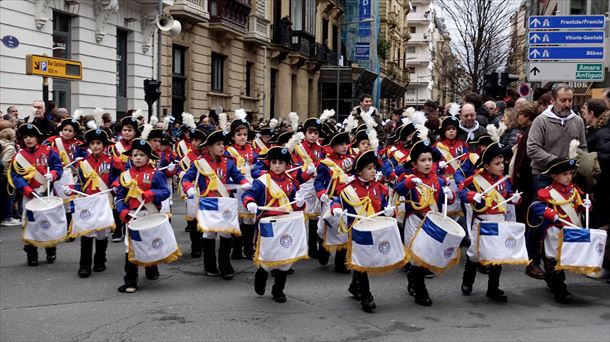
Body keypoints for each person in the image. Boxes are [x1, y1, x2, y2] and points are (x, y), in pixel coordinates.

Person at [181, 128, 250, 279]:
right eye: (218, 144)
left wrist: (244, 182)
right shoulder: (199, 163)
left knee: (226, 233)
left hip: (225, 202)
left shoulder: (228, 162)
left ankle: (225, 265)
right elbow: (185, 179)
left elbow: (237, 176)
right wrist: (189, 188)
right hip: (208, 203)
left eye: (223, 144)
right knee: (209, 234)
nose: (222, 147)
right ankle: (210, 265)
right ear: (209, 147)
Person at [394, 136, 455, 306]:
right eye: (423, 160)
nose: (428, 163)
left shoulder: (440, 180)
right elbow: (398, 190)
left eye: (430, 160)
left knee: (427, 255)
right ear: (414, 163)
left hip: (432, 222)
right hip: (415, 219)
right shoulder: (409, 177)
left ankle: (413, 279)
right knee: (416, 255)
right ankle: (421, 290)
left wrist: (450, 195)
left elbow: (445, 201)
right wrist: (409, 182)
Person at [330, 150, 393, 312]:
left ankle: (354, 286)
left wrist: (388, 210)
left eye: (375, 168)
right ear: (359, 171)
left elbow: (385, 204)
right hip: (357, 231)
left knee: (362, 262)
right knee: (362, 262)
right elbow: (337, 202)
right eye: (369, 168)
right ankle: (367, 296)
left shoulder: (380, 189)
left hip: (374, 229)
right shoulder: (348, 189)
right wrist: (336, 209)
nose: (374, 171)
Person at [459, 142, 521, 303]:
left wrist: (515, 199)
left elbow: (508, 194)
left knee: (497, 255)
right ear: (486, 165)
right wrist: (473, 196)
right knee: (474, 253)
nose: (502, 166)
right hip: (482, 222)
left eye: (502, 163)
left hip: (499, 221)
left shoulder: (504, 180)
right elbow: (462, 192)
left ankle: (493, 288)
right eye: (497, 163)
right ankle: (467, 281)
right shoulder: (476, 179)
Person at [243, 146, 305, 303]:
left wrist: (300, 202)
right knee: (267, 256)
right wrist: (250, 202)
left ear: (287, 165)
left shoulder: (292, 183)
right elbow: (248, 194)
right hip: (268, 224)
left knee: (285, 259)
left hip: (286, 224)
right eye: (274, 162)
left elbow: (295, 206)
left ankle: (278, 290)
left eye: (281, 162)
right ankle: (261, 275)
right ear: (269, 163)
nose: (277, 165)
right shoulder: (261, 182)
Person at [527, 158, 592, 303]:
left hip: (570, 230)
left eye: (570, 173)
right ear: (554, 176)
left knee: (565, 257)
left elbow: (578, 206)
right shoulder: (547, 192)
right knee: (554, 260)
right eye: (564, 174)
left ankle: (552, 281)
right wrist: (550, 212)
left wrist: (586, 205)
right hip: (554, 231)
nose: (569, 177)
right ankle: (559, 289)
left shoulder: (574, 190)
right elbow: (534, 207)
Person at [115, 139, 171, 293]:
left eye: (142, 154)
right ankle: (130, 281)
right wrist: (122, 211)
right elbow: (120, 196)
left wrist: (152, 194)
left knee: (149, 242)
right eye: (135, 154)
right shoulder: (125, 175)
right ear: (130, 157)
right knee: (130, 247)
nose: (138, 157)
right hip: (132, 215)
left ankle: (152, 269)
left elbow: (165, 191)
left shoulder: (156, 173)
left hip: (150, 212)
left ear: (148, 157)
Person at [66, 129, 122, 278]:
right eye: (93, 143)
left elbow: (120, 177)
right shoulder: (82, 164)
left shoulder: (113, 161)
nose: (96, 146)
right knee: (87, 233)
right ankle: (84, 265)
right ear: (89, 145)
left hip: (104, 199)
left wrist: (116, 184)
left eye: (98, 143)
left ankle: (100, 260)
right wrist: (69, 189)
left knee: (102, 233)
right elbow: (79, 183)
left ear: (104, 145)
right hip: (88, 201)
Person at [8, 124, 63, 266]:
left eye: (31, 136)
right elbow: (16, 176)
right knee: (29, 223)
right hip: (30, 194)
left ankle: (51, 249)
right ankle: (31, 253)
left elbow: (58, 167)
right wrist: (26, 189)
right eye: (25, 137)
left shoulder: (49, 151)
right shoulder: (18, 156)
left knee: (49, 221)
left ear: (37, 137)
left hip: (46, 191)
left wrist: (54, 174)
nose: (28, 139)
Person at [527, 84, 587, 194]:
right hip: (544, 176)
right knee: (544, 210)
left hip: (568, 177)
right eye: (563, 100)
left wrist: (577, 163)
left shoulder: (578, 121)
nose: (567, 104)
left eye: (570, 100)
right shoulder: (541, 121)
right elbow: (532, 149)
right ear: (553, 101)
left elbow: (583, 148)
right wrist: (557, 162)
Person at [314, 129, 355, 273]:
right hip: (329, 199)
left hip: (345, 199)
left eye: (346, 143)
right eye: (341, 144)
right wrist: (321, 193)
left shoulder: (351, 160)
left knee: (344, 229)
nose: (345, 147)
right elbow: (318, 182)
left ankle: (341, 262)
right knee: (324, 228)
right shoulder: (325, 163)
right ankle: (324, 249)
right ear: (333, 146)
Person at [225, 110, 258, 260]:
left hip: (250, 187)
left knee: (250, 219)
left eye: (244, 134)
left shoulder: (252, 149)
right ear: (233, 136)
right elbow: (226, 171)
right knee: (236, 219)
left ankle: (248, 248)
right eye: (239, 134)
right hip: (235, 188)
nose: (242, 137)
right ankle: (236, 249)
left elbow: (258, 166)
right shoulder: (228, 151)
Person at [0, 127, 19, 226]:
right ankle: (8, 218)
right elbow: (5, 162)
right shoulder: (10, 147)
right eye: (14, 135)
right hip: (7, 174)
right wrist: (7, 173)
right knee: (9, 196)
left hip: (2, 175)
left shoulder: (2, 144)